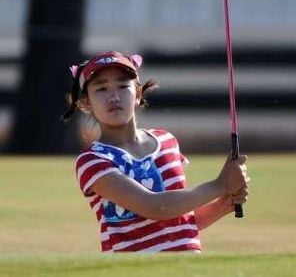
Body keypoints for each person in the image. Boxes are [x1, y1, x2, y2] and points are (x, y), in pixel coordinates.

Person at [62, 51, 250, 253]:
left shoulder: (167, 141)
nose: (114, 96)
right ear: (86, 102)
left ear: (138, 94)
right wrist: (220, 185)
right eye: (101, 89)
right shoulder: (92, 160)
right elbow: (156, 207)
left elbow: (179, 222)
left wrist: (221, 206)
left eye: (124, 86)